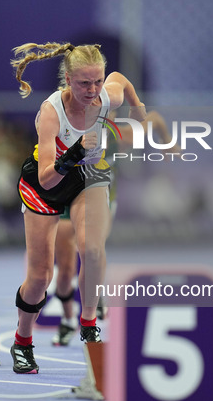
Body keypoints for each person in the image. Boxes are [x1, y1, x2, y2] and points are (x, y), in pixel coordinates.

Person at [10, 42, 146, 374]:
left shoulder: (105, 95)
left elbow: (121, 81)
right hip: (46, 185)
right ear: (68, 80)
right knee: (41, 277)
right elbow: (46, 179)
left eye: (97, 82)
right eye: (85, 83)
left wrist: (138, 108)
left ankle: (88, 322)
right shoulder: (51, 112)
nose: (93, 90)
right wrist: (72, 153)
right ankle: (23, 341)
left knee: (93, 250)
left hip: (88, 176)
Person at [50, 109, 179, 347]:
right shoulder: (67, 128)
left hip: (103, 199)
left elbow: (156, 120)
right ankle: (68, 318)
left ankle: (94, 291)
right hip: (67, 199)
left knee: (93, 248)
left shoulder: (119, 135)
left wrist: (168, 144)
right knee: (66, 267)